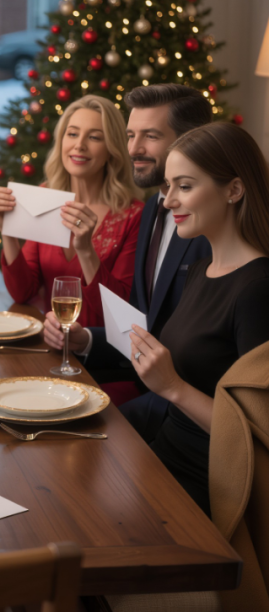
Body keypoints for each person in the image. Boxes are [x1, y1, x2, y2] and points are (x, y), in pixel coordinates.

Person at [42, 85, 213, 411]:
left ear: (190, 140)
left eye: (150, 136)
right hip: (136, 377)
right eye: (130, 135)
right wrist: (88, 339)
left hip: (181, 403)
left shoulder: (205, 226)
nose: (134, 148)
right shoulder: (153, 210)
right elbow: (139, 321)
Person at [127, 123, 269, 515]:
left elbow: (257, 435)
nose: (168, 201)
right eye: (168, 186)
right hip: (162, 458)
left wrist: (172, 386)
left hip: (210, 487)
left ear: (234, 190)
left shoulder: (257, 289)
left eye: (184, 186)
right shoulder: (202, 269)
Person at [0, 95, 143, 328]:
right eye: (72, 134)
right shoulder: (45, 197)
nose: (79, 144)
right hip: (51, 345)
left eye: (94, 137)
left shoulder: (133, 215)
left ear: (111, 150)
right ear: (61, 141)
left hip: (100, 356)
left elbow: (119, 312)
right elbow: (22, 292)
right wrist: (7, 230)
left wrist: (86, 250)